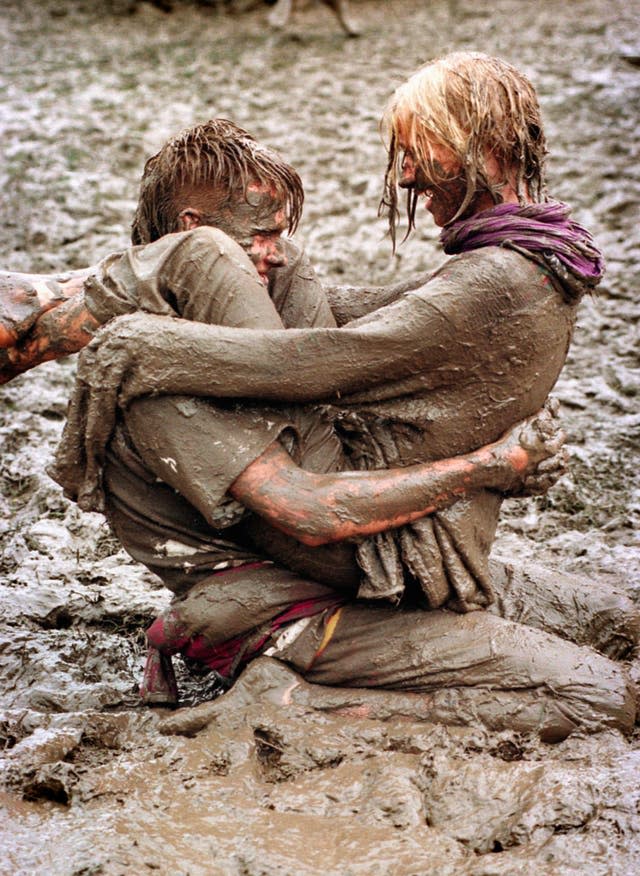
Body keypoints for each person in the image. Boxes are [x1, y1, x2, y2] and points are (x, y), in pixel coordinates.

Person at [4, 64, 637, 738]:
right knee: (606, 700)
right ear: (199, 238)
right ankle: (294, 703)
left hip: (396, 553)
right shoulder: (166, 386)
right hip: (315, 587)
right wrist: (488, 467)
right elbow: (309, 505)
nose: (404, 179)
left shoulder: (277, 290)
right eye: (256, 240)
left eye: (419, 151)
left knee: (619, 622)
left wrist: (111, 316)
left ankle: (49, 308)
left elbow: (353, 333)